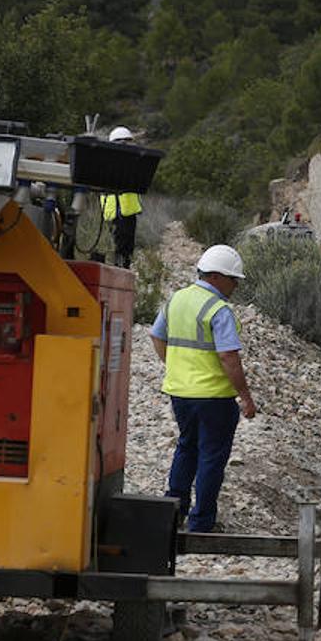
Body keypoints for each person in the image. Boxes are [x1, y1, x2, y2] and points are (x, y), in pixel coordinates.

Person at [150, 244, 258, 533]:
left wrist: (174, 366)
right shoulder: (218, 310)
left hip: (180, 394)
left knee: (186, 448)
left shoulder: (177, 299)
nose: (235, 286)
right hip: (214, 398)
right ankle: (201, 522)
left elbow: (156, 336)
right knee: (211, 457)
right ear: (217, 276)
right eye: (234, 279)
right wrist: (246, 398)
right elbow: (228, 357)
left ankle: (173, 514)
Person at [99, 126, 143, 268]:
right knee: (118, 245)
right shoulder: (108, 162)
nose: (125, 145)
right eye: (122, 142)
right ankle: (119, 269)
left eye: (127, 142)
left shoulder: (133, 162)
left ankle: (122, 268)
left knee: (126, 246)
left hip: (127, 212)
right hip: (115, 212)